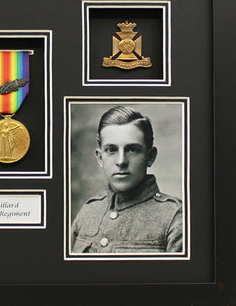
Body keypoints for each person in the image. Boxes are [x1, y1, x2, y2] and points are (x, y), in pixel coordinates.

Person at [71, 106, 183, 254]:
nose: (121, 161)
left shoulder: (175, 218)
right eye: (111, 150)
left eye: (132, 149)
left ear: (150, 156)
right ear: (100, 158)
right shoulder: (88, 212)